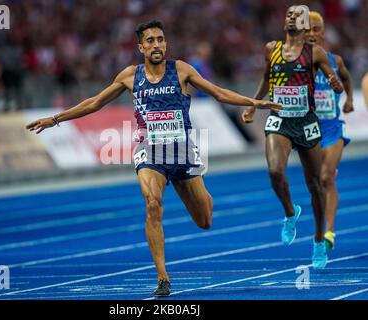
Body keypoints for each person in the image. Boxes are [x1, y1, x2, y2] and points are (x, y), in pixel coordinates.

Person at [26, 20, 281, 297]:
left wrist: (253, 103)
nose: (156, 44)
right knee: (152, 204)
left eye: (160, 39)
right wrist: (56, 118)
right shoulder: (129, 76)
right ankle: (163, 278)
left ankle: (203, 194)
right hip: (150, 151)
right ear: (141, 47)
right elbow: (95, 102)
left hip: (183, 151)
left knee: (204, 219)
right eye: (150, 41)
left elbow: (218, 92)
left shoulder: (181, 69)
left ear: (165, 43)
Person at [241, 6, 343, 269]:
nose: (290, 16)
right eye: (288, 13)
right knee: (275, 171)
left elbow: (336, 81)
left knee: (316, 184)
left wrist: (336, 84)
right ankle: (290, 212)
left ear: (305, 23)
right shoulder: (271, 48)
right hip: (280, 119)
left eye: (297, 15)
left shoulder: (315, 53)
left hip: (306, 121)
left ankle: (319, 239)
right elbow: (267, 79)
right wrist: (253, 104)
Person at [305, 11, 354, 251]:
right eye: (308, 29)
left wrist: (350, 100)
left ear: (322, 32)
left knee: (326, 177)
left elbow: (346, 79)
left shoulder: (336, 60)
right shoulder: (298, 64)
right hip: (310, 130)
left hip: (333, 128)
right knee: (316, 182)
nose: (312, 33)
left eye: (316, 29)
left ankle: (330, 232)